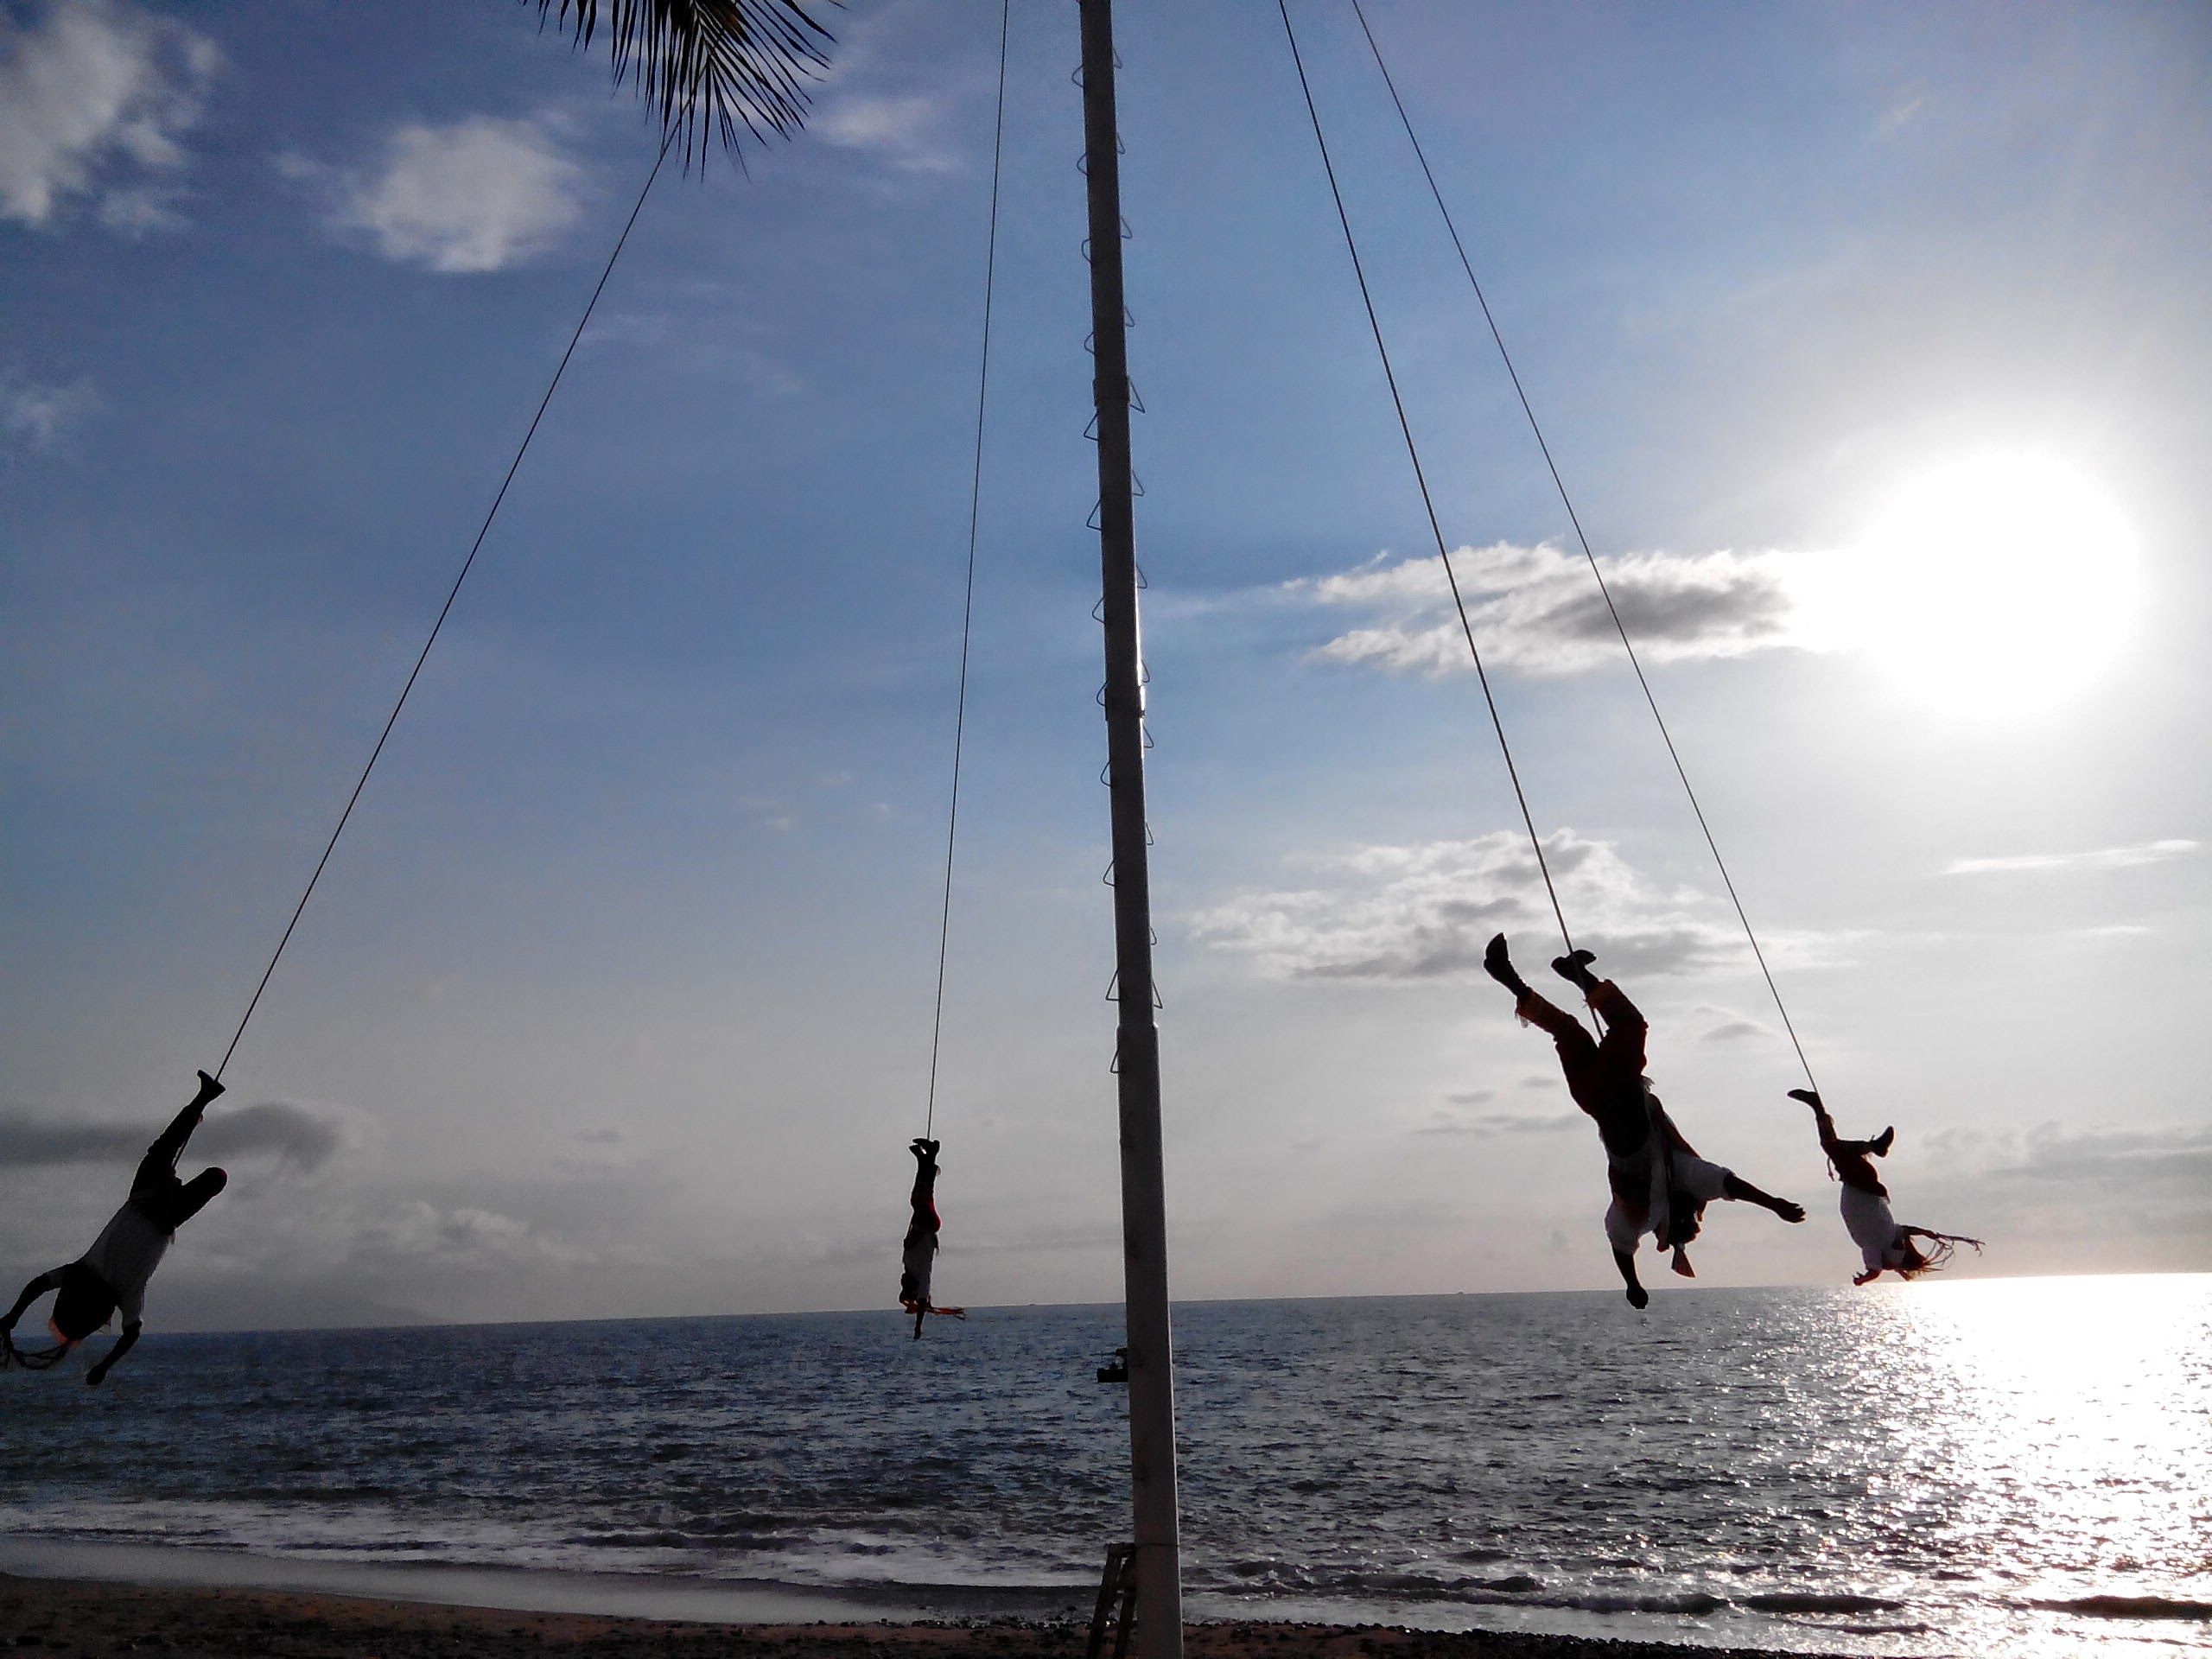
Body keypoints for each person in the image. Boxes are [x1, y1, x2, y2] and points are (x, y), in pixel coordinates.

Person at [1483, 935, 1804, 1307]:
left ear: (1676, 1221)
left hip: (1615, 1086)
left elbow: (1727, 1185)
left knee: (1629, 1023)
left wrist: (1776, 1204)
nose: (1696, 1223)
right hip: (1592, 1097)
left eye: (1691, 1228)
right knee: (1566, 1030)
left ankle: (1569, 974)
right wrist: (1631, 1284)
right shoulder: (1650, 1203)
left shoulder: (1675, 1184)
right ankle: (1509, 977)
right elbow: (1624, 1246)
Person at [3, 1071, 229, 1382]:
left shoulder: (87, 1273)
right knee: (197, 1166)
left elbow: (39, 1285)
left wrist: (13, 1317)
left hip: (146, 1197)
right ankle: (204, 1097)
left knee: (171, 1153)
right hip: (164, 1213)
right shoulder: (118, 1290)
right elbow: (130, 1332)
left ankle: (205, 1095)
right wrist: (103, 1367)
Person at [1792, 1088, 1980, 1283]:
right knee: (1831, 1146)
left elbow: (1908, 1230)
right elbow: (1875, 1270)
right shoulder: (1873, 1244)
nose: (1885, 1266)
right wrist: (1863, 1280)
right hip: (1860, 1183)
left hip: (1867, 1183)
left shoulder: (1890, 1235)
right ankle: (1866, 1141)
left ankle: (1824, 1113)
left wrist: (1926, 1233)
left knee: (1835, 1146)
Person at [898, 1137, 963, 1337]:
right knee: (921, 1197)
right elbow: (923, 1301)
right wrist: (918, 1326)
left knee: (919, 1196)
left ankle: (923, 1159)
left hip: (921, 1223)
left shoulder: (908, 1267)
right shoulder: (922, 1278)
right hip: (928, 1226)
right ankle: (931, 1154)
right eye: (904, 1286)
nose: (901, 1281)